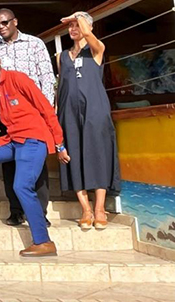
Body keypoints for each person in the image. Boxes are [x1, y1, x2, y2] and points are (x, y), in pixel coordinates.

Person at [0, 51, 68, 257]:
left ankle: (44, 242)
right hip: (12, 140)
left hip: (33, 139)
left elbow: (46, 109)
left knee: (21, 186)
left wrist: (59, 144)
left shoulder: (18, 78)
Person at [0, 7, 56, 226]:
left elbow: (47, 77)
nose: (1, 27)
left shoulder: (34, 44)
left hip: (33, 114)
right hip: (8, 116)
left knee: (35, 163)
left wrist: (46, 110)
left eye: (5, 23)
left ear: (15, 21)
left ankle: (39, 213)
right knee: (10, 163)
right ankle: (16, 210)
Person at [57, 12, 121, 230]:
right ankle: (85, 208)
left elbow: (87, 32)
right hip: (69, 112)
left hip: (95, 111)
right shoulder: (62, 56)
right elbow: (61, 89)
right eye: (70, 26)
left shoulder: (96, 50)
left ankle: (99, 208)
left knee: (98, 153)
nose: (73, 28)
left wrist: (77, 16)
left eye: (77, 25)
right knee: (74, 155)